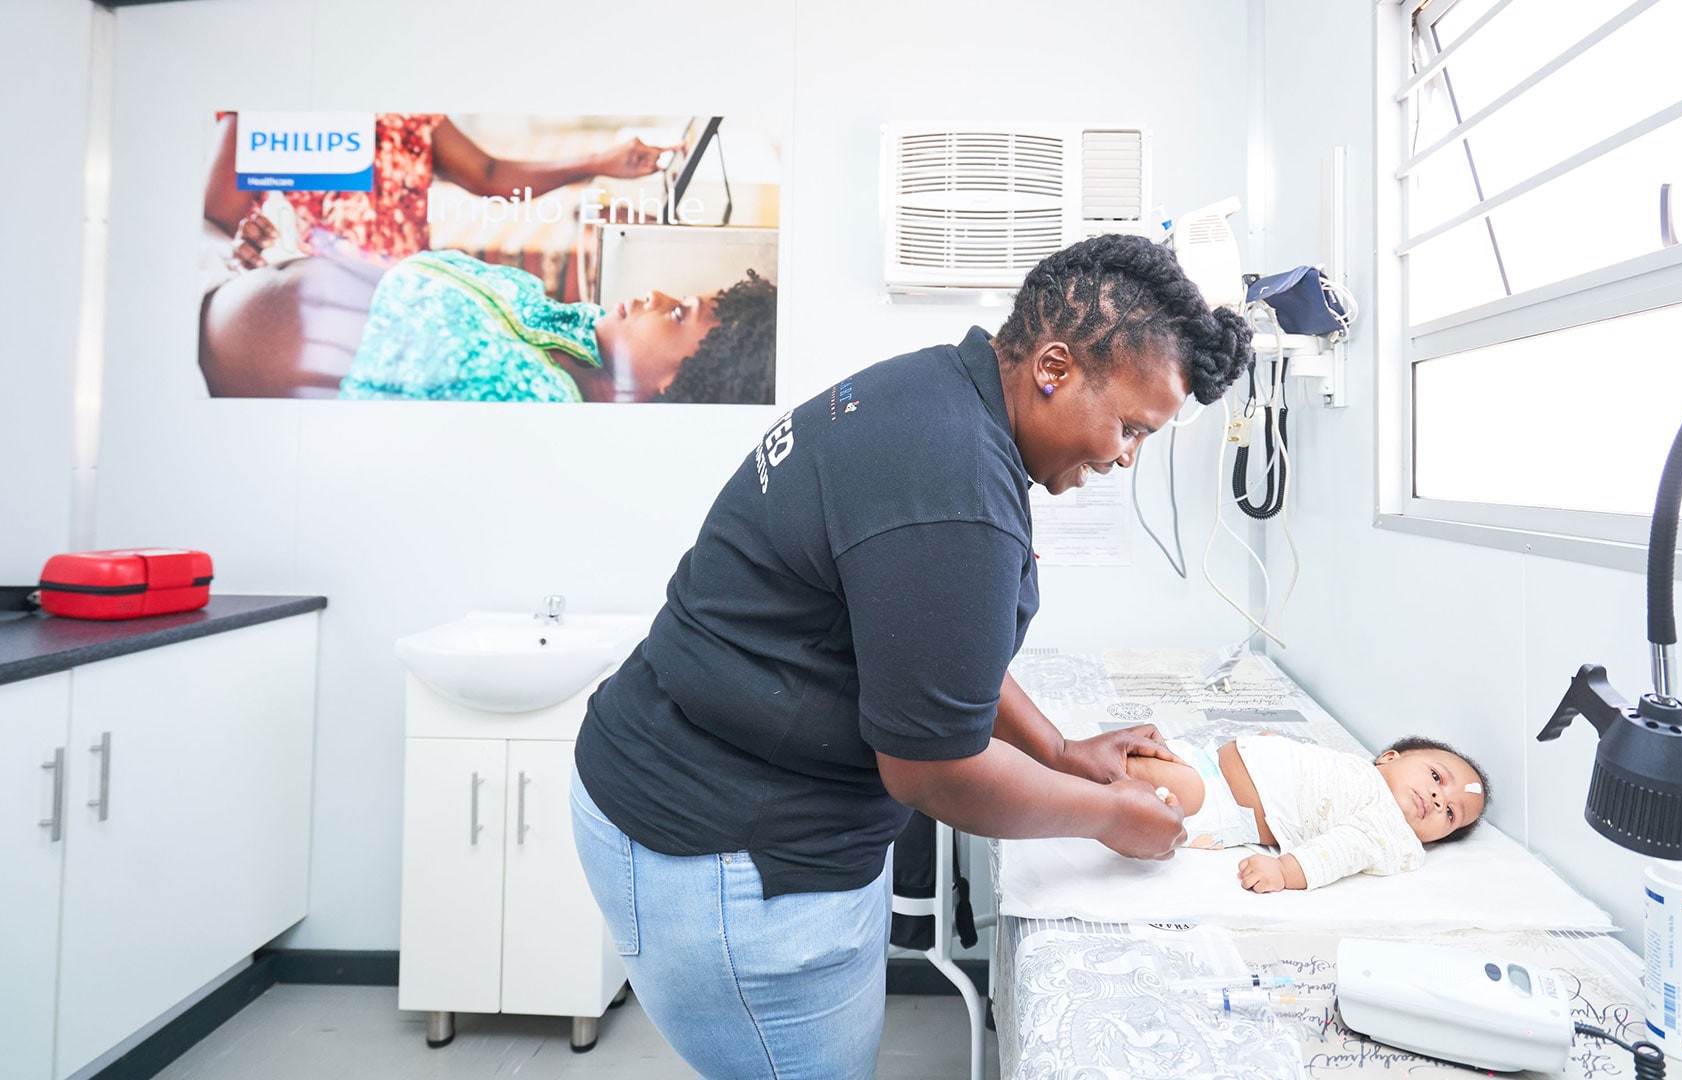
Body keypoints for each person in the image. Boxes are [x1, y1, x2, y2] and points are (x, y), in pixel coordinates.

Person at [569, 233, 1253, 1078]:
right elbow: (933, 772)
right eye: (1130, 427)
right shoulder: (956, 490)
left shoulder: (940, 390)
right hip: (727, 845)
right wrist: (1110, 816)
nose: (1125, 456)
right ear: (1053, 366)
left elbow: (929, 642)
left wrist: (1061, 753)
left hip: (683, 777)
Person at [198, 112, 682, 398]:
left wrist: (601, 163)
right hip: (299, 342)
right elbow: (214, 224)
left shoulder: (405, 110)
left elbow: (488, 173)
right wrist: (242, 243)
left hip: (419, 336)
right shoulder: (269, 105)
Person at [327, 249, 774, 403]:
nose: (656, 297)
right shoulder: (581, 338)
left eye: (678, 314)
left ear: (675, 380)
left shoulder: (540, 399)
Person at [1123, 733, 1490, 892]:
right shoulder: (1361, 773)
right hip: (1205, 759)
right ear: (1390, 758)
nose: (1439, 800)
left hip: (1218, 799)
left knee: (1132, 777)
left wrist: (1285, 870)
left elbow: (1341, 851)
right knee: (1127, 752)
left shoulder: (1390, 831)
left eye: (1451, 815)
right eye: (1437, 777)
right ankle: (1071, 763)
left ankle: (1072, 774)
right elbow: (1312, 773)